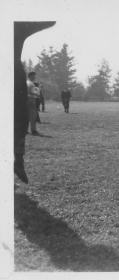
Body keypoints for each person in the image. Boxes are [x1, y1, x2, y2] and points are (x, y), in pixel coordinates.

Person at [14, 21, 56, 184]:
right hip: (13, 75)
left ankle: (18, 159)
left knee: (21, 119)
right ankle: (18, 159)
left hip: (15, 77)